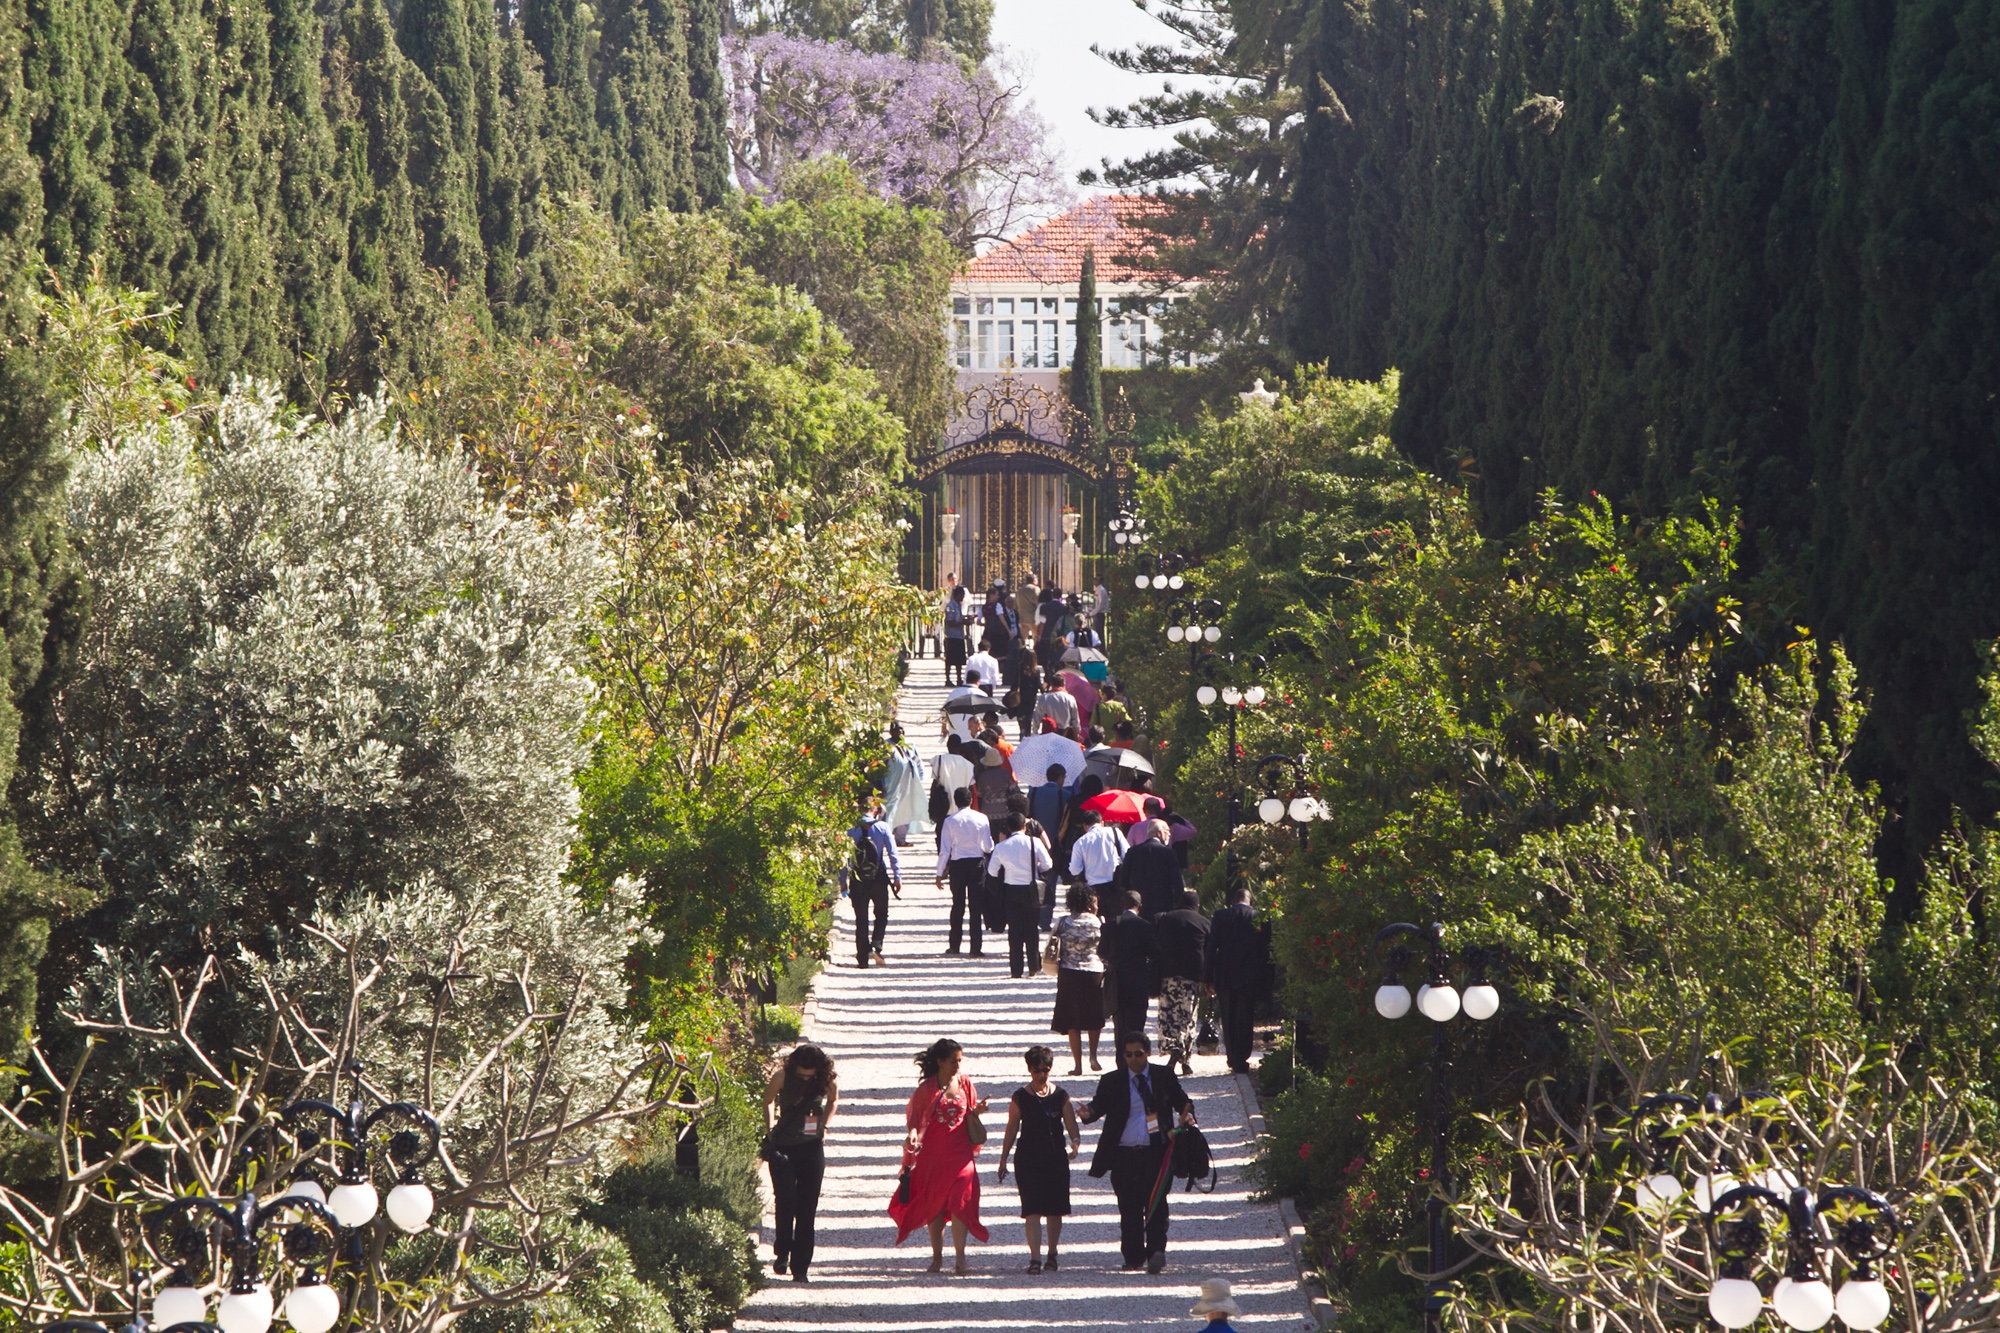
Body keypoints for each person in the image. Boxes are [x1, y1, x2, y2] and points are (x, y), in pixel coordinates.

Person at [1078, 1031, 1196, 1274]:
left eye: (1138, 1054)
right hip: (1123, 1154)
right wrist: (1087, 1113)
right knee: (1129, 1207)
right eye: (1128, 1055)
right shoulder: (1112, 1080)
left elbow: (1183, 1102)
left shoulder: (1163, 1076)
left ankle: (1156, 1252)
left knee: (1156, 1204)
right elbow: (1098, 1105)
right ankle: (1133, 1257)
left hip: (1157, 1152)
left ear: (1148, 1053)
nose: (1133, 1059)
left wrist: (1185, 1119)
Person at [890, 1038, 990, 1274]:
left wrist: (978, 1112)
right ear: (940, 1062)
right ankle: (937, 1257)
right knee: (934, 1206)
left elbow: (969, 1114)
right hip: (933, 1156)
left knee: (960, 1203)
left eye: (960, 1061)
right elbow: (914, 1120)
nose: (958, 1066)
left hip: (961, 1155)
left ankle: (960, 1259)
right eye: (954, 1061)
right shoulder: (926, 1089)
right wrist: (912, 1135)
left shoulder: (965, 1083)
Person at [997, 1045, 1081, 1274]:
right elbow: (1011, 1129)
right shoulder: (1020, 1097)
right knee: (1031, 1209)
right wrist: (1003, 1159)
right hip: (1028, 1158)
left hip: (1056, 1157)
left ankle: (1052, 1254)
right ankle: (1035, 1258)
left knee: (1055, 1210)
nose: (1041, 1074)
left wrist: (1075, 1143)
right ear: (1029, 1069)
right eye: (1037, 1070)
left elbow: (1071, 1126)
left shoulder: (1062, 1096)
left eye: (1046, 1069)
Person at [763, 1044, 838, 1283]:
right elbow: (768, 1100)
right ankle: (782, 1251)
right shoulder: (782, 1076)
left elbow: (833, 1100)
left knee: (807, 1208)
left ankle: (801, 1266)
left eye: (810, 1074)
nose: (806, 1078)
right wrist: (771, 1128)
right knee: (786, 1201)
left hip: (811, 1148)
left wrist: (824, 1126)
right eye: (802, 1074)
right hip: (783, 1146)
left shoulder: (825, 1079)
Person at [1205, 884, 1268, 1073]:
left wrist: (1208, 978)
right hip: (1249, 975)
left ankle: (1232, 1057)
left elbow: (1211, 949)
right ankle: (1242, 1057)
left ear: (1233, 901)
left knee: (1228, 1015)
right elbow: (1264, 951)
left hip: (1225, 975)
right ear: (1251, 901)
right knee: (1245, 1016)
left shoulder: (1220, 916)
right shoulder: (1259, 918)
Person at [1049, 885, 1107, 1074]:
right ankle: (1093, 1056)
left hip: (1069, 972)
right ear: (1090, 902)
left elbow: (1052, 943)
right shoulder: (1099, 922)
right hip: (1094, 971)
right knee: (1094, 1016)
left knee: (1072, 1020)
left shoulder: (1063, 921)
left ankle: (1077, 1065)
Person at [988, 813, 1054, 978]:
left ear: (1009, 828)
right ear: (1025, 827)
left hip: (1011, 890)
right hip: (1031, 890)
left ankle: (1016, 969)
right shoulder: (1034, 842)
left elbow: (992, 871)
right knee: (1032, 929)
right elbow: (1048, 864)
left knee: (1014, 930)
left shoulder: (1002, 846)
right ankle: (1034, 965)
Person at [1154, 890, 1212, 1075]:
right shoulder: (1204, 923)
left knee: (1168, 1016)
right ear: (1197, 906)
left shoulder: (1164, 919)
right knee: (1188, 1018)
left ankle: (1173, 1054)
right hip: (1191, 979)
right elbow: (1209, 955)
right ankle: (1184, 1059)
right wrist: (1209, 980)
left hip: (1168, 976)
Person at [935, 787, 994, 956]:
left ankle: (954, 945)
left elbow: (945, 850)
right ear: (970, 801)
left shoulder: (950, 821)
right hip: (977, 864)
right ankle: (976, 948)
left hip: (957, 865)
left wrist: (939, 873)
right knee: (976, 907)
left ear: (955, 801)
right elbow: (988, 846)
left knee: (958, 905)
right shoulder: (982, 818)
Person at [846, 797, 902, 967]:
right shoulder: (882, 827)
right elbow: (893, 854)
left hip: (857, 877)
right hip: (878, 876)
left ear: (859, 809)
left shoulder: (850, 829)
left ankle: (862, 958)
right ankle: (876, 946)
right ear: (876, 810)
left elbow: (844, 857)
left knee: (861, 918)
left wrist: (842, 880)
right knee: (881, 913)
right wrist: (897, 877)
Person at [1100, 889, 1158, 1044]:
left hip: (1116, 981)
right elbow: (1154, 953)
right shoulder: (1145, 926)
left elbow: (1102, 952)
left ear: (1122, 904)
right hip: (1138, 980)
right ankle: (1137, 1060)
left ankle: (1121, 1062)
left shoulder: (1110, 925)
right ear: (1139, 906)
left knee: (1119, 1027)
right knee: (1137, 1025)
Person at [1029, 764, 1077, 929]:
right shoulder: (1064, 795)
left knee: (1034, 879)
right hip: (1054, 846)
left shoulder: (1033, 792)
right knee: (1050, 883)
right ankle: (1045, 920)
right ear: (1060, 777)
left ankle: (1033, 916)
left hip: (1033, 843)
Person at [1117, 818, 1186, 919]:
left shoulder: (1133, 852)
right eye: (1167, 831)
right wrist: (1177, 904)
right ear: (1159, 833)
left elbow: (1123, 880)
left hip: (1139, 906)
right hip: (1163, 906)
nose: (1170, 834)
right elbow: (1177, 882)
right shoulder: (1169, 853)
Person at [881, 723, 927, 846]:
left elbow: (917, 760)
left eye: (902, 730)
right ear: (891, 732)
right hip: (891, 785)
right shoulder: (885, 746)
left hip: (908, 785)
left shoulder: (910, 745)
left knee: (905, 810)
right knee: (889, 811)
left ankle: (901, 840)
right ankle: (885, 839)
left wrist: (920, 777)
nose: (900, 732)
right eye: (897, 730)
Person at [1067, 807, 1126, 902]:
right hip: (1115, 886)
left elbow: (1075, 870)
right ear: (1101, 822)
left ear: (1085, 826)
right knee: (1115, 916)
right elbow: (1126, 854)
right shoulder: (1115, 833)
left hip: (1093, 890)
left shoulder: (1080, 842)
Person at [943, 584, 969, 685]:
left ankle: (959, 678)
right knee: (949, 659)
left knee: (959, 660)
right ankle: (948, 679)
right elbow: (950, 622)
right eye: (962, 595)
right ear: (957, 594)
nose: (963, 597)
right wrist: (962, 623)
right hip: (952, 636)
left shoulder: (959, 605)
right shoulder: (950, 606)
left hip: (959, 635)